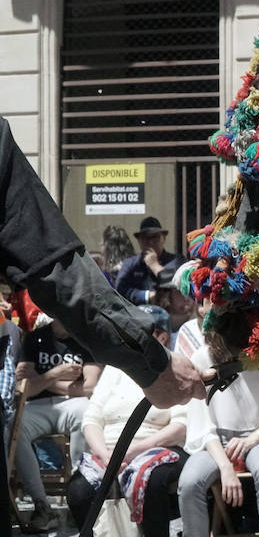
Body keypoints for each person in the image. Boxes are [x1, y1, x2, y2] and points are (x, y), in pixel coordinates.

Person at [0, 116, 205, 529]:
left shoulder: (169, 264)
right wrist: (153, 362)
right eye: (147, 238)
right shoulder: (131, 266)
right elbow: (53, 267)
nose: (153, 244)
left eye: (157, 238)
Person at [66, 323, 189, 537]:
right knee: (79, 490)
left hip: (159, 447)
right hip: (111, 451)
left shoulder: (174, 369)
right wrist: (105, 454)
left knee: (151, 480)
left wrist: (136, 449)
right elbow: (92, 418)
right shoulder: (115, 369)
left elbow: (181, 424)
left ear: (162, 337)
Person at [178, 333, 259, 537]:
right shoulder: (203, 357)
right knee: (190, 482)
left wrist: (253, 438)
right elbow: (201, 424)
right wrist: (225, 467)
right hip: (215, 441)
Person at [13, 319, 103, 532]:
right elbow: (23, 385)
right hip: (38, 405)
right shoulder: (36, 337)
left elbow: (90, 387)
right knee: (14, 426)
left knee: (86, 415)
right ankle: (42, 505)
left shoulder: (86, 338)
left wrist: (43, 380)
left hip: (74, 404)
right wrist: (57, 373)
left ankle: (79, 497)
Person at [115, 216, 180, 306]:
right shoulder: (130, 264)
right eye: (146, 238)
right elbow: (119, 289)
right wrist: (146, 296)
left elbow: (177, 283)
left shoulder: (176, 260)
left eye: (155, 237)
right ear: (139, 241)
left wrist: (155, 266)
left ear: (163, 238)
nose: (151, 242)